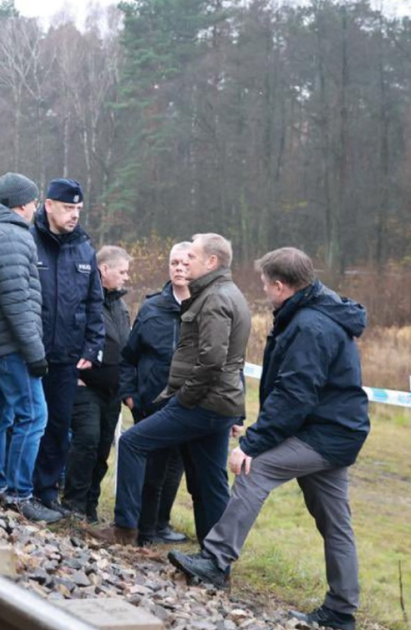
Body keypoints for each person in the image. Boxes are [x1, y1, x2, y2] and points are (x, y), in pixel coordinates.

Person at [169, 248, 369, 630]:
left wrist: (252, 444)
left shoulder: (310, 325)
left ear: (280, 285)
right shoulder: (312, 311)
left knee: (254, 469)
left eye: (264, 283)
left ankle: (215, 561)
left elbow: (295, 395)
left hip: (325, 433)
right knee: (336, 523)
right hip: (335, 430)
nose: (262, 290)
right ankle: (341, 611)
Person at [94, 233, 250, 545]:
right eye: (178, 259)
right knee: (209, 481)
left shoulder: (215, 298)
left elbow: (213, 361)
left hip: (201, 403)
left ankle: (125, 529)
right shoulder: (224, 293)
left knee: (132, 443)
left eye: (191, 256)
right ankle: (215, 556)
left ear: (211, 261)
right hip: (216, 403)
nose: (184, 263)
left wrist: (183, 398)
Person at [0, 173, 59, 522]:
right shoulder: (12, 237)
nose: (36, 208)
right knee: (33, 416)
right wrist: (34, 352)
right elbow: (17, 301)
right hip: (12, 344)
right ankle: (19, 494)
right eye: (34, 201)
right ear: (21, 204)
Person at [30, 178, 104, 511]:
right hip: (31, 350)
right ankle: (16, 483)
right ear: (49, 205)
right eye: (68, 208)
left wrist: (92, 346)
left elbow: (94, 303)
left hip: (67, 354)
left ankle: (46, 490)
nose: (74, 215)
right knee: (25, 420)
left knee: (58, 425)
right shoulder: (29, 240)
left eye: (78, 209)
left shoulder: (84, 248)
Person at [117, 242, 191, 546]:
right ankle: (141, 529)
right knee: (151, 469)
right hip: (150, 402)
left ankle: (161, 524)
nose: (179, 268)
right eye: (174, 263)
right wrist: (129, 393)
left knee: (175, 468)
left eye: (185, 263)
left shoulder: (206, 308)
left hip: (188, 405)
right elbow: (129, 356)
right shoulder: (151, 307)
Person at [62, 245, 130, 523]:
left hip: (113, 391)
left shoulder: (121, 306)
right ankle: (74, 503)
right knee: (87, 441)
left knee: (103, 448)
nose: (126, 277)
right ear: (104, 269)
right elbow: (67, 336)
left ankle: (90, 504)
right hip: (86, 386)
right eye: (122, 271)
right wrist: (73, 374)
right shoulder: (83, 299)